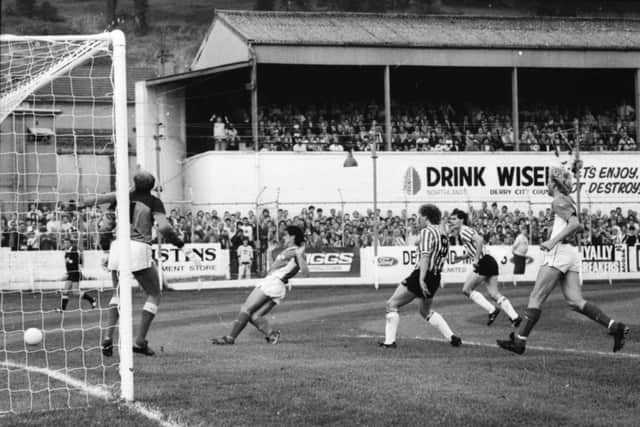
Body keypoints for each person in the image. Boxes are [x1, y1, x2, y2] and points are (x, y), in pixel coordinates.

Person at [497, 167, 630, 354]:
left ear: (555, 183)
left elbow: (575, 224)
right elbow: (578, 225)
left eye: (548, 180)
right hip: (571, 253)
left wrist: (552, 241)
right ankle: (615, 326)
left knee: (536, 297)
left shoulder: (558, 200)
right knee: (575, 301)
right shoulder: (566, 200)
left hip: (559, 252)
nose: (547, 184)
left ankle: (520, 341)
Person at [81, 170, 194, 357]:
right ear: (152, 186)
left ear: (133, 183)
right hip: (139, 246)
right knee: (154, 292)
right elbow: (164, 227)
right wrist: (179, 243)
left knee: (118, 293)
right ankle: (140, 341)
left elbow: (105, 227)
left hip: (118, 246)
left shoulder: (119, 198)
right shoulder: (153, 201)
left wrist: (106, 248)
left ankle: (108, 337)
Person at [379, 204, 461, 348]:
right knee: (425, 311)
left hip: (423, 274)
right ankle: (452, 337)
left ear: (426, 217)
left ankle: (389, 342)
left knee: (391, 304)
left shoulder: (427, 232)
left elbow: (425, 256)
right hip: (436, 276)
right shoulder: (443, 234)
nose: (418, 220)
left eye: (419, 216)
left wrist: (421, 279)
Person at [211, 226, 309, 345]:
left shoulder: (297, 252)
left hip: (274, 282)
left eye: (286, 235)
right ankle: (272, 334)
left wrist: (299, 255)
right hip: (275, 283)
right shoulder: (289, 250)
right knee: (255, 316)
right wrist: (269, 253)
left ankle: (230, 338)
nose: (284, 237)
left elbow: (306, 273)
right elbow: (273, 268)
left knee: (246, 308)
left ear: (293, 236)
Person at [449, 209, 521, 327]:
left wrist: (477, 259)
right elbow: (475, 246)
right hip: (489, 261)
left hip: (484, 262)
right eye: (451, 219)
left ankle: (492, 310)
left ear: (461, 220)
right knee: (494, 294)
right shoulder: (464, 231)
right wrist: (462, 257)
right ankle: (515, 317)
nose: (452, 221)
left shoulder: (464, 230)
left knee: (466, 289)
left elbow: (480, 240)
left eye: (455, 219)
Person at [57, 236, 97, 312]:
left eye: (66, 243)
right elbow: (68, 264)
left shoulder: (74, 251)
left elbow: (78, 262)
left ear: (70, 243)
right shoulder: (67, 252)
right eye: (64, 243)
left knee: (75, 292)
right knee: (65, 291)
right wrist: (67, 273)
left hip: (75, 273)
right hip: (70, 273)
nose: (64, 244)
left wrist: (70, 261)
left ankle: (91, 299)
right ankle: (62, 308)